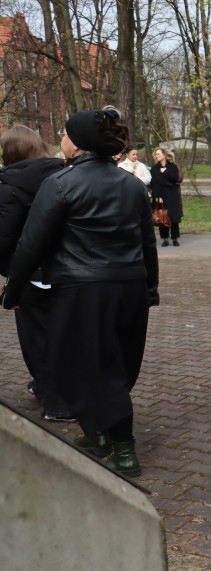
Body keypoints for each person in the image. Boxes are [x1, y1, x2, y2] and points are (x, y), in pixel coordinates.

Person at [1, 108, 160, 476]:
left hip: (82, 290)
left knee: (80, 363)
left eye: (66, 135)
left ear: (80, 143)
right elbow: (146, 243)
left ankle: (123, 449)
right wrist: (149, 288)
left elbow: (31, 244)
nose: (61, 140)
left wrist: (14, 288)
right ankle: (99, 433)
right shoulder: (133, 185)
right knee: (114, 363)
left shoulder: (59, 184)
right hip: (129, 288)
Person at [0, 125, 71, 421]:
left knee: (37, 340)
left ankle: (58, 405)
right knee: (65, 336)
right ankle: (49, 388)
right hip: (68, 270)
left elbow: (5, 236)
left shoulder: (10, 184)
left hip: (31, 273)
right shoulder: (64, 175)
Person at [150, 147, 183, 246]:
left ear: (164, 155)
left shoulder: (172, 166)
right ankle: (165, 239)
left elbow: (175, 179)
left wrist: (165, 172)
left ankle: (175, 238)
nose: (157, 156)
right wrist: (156, 196)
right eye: (156, 154)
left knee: (173, 218)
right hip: (161, 195)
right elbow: (154, 184)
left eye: (158, 154)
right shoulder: (154, 168)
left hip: (172, 194)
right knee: (162, 217)